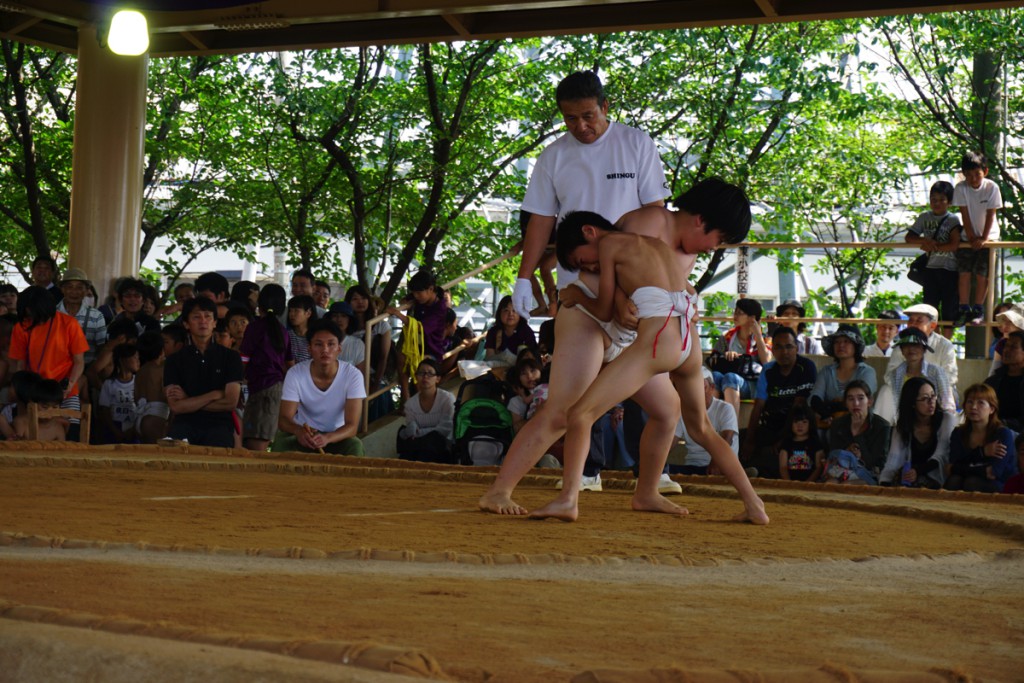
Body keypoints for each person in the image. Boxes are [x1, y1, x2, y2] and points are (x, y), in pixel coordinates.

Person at [480, 178, 755, 519]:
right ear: (701, 220)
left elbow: (661, 283)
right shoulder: (651, 221)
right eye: (720, 239)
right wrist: (618, 299)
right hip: (590, 317)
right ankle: (500, 491)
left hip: (635, 339)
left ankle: (647, 492)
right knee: (566, 411)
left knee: (667, 411)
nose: (716, 248)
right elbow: (617, 260)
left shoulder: (688, 251)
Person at [512, 70, 668, 319]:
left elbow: (657, 213)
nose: (581, 126)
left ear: (604, 106)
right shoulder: (553, 155)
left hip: (631, 279)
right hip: (575, 281)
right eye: (571, 118)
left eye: (588, 116)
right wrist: (523, 277)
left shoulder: (637, 143)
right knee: (579, 355)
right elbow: (541, 220)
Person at [272, 319, 366, 455]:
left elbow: (352, 427)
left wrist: (327, 438)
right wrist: (299, 431)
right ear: (309, 349)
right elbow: (284, 420)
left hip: (336, 437)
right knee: (281, 443)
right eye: (318, 344)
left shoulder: (353, 375)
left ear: (339, 348)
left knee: (355, 446)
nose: (325, 350)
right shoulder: (295, 374)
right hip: (305, 435)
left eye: (331, 344)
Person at [8, 286, 89, 439]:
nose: (30, 317)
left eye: (33, 313)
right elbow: (20, 364)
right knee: (30, 433)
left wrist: (69, 385)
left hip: (66, 389)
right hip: (34, 391)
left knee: (72, 434)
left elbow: (79, 362)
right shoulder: (21, 326)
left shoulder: (69, 324)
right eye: (27, 313)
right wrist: (23, 392)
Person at [163, 297, 244, 447]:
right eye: (196, 317)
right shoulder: (174, 360)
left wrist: (188, 399)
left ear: (214, 322)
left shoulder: (231, 357)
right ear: (186, 323)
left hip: (219, 425)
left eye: (208, 316)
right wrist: (214, 394)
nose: (203, 321)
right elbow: (176, 407)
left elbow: (230, 402)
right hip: (184, 424)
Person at [740, 326, 817, 477]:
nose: (784, 352)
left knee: (779, 451)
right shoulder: (768, 370)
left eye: (789, 346)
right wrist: (749, 439)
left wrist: (783, 438)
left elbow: (798, 405)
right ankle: (743, 475)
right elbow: (758, 406)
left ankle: (760, 473)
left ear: (796, 348)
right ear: (773, 350)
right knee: (740, 439)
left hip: (796, 427)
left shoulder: (806, 367)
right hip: (770, 425)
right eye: (779, 347)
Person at [239, 284, 292, 452]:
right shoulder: (282, 331)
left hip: (262, 388)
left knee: (255, 444)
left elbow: (244, 359)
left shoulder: (255, 328)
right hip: (275, 387)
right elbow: (289, 364)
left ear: (259, 304)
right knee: (259, 439)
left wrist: (237, 382)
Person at [953, 152, 1003, 326]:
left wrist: (983, 238)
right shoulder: (960, 188)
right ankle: (963, 308)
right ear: (963, 174)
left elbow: (991, 214)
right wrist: (972, 237)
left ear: (985, 171)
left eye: (977, 174)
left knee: (983, 275)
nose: (973, 179)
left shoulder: (992, 188)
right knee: (964, 273)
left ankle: (978, 309)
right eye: (969, 175)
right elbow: (964, 214)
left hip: (989, 238)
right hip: (968, 238)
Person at [905, 180, 961, 334]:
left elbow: (954, 244)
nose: (937, 203)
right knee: (930, 308)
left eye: (942, 200)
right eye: (934, 200)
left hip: (949, 269)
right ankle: (933, 342)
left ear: (949, 202)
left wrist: (933, 246)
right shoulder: (924, 217)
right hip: (931, 269)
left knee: (949, 310)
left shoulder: (953, 219)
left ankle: (946, 344)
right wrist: (924, 241)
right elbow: (909, 237)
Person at [879, 377, 955, 489]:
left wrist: (918, 471)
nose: (931, 402)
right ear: (912, 403)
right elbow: (893, 459)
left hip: (935, 477)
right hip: (909, 477)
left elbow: (942, 453)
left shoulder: (946, 419)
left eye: (933, 396)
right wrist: (884, 484)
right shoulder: (902, 427)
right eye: (924, 398)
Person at [874, 327, 956, 423]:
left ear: (924, 349)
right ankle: (882, 430)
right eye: (907, 345)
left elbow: (947, 403)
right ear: (902, 350)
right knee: (886, 390)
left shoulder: (936, 372)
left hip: (932, 420)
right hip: (903, 421)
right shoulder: (896, 374)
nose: (911, 349)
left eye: (916, 345)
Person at [708, 298, 772, 418]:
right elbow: (713, 359)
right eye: (735, 311)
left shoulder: (764, 338)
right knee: (715, 376)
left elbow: (766, 361)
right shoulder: (728, 337)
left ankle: (731, 430)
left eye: (740, 312)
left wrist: (758, 335)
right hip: (728, 382)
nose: (735, 315)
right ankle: (710, 427)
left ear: (752, 318)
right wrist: (725, 356)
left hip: (752, 384)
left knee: (731, 377)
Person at [946, 384, 1017, 492]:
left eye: (981, 403)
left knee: (971, 482)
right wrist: (982, 452)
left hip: (1001, 485)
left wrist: (960, 468)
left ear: (992, 409)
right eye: (970, 402)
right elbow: (951, 467)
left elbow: (993, 473)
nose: (973, 407)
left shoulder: (1002, 434)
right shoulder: (958, 433)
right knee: (954, 480)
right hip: (968, 480)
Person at [672, 366, 740, 476]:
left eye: (701, 387)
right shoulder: (682, 411)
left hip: (721, 466)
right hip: (692, 466)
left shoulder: (725, 408)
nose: (695, 392)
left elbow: (727, 438)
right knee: (664, 471)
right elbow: (671, 441)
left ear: (712, 388)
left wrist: (716, 463)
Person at [810, 325, 877, 431]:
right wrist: (832, 409)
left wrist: (829, 405)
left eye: (846, 341)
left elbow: (859, 401)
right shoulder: (826, 371)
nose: (841, 345)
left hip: (859, 424)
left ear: (856, 345)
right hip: (828, 422)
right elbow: (814, 399)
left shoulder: (867, 371)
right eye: (837, 342)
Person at [824, 380, 890, 485]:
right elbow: (834, 456)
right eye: (851, 399)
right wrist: (847, 450)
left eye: (860, 398)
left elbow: (877, 463)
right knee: (830, 484)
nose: (856, 403)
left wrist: (857, 434)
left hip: (869, 473)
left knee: (847, 485)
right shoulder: (838, 424)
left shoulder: (882, 426)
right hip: (842, 469)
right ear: (846, 403)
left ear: (869, 401)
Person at [884, 303, 958, 390]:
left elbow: (950, 377)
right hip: (907, 392)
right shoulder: (901, 345)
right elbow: (890, 376)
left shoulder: (945, 345)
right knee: (886, 391)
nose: (913, 325)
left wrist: (927, 390)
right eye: (911, 320)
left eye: (919, 321)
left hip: (937, 392)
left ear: (932, 326)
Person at [396, 358, 455, 462]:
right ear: (416, 377)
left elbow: (445, 429)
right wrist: (412, 431)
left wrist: (419, 433)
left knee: (433, 439)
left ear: (438, 378)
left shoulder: (447, 399)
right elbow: (411, 431)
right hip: (420, 448)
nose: (425, 376)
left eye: (430, 373)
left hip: (444, 447)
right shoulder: (410, 404)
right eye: (421, 373)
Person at [57, 268, 107, 366]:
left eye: (79, 287)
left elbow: (102, 348)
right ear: (62, 289)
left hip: (87, 369)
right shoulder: (52, 314)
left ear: (86, 290)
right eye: (69, 287)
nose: (74, 291)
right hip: (57, 370)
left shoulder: (96, 316)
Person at [96, 343, 139, 444]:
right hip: (114, 426)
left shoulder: (139, 381)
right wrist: (115, 431)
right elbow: (105, 410)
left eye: (138, 357)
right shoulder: (109, 383)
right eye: (134, 357)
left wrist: (133, 429)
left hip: (134, 426)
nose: (138, 361)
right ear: (122, 360)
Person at [133, 331, 170, 443]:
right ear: (161, 350)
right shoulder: (161, 370)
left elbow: (136, 396)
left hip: (139, 416)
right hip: (156, 415)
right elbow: (167, 395)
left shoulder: (140, 371)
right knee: (160, 456)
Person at [984, 330, 1024, 431]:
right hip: (993, 430)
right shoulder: (993, 381)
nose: (1006, 350)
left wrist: (1003, 424)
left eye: (1013, 347)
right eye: (1006, 346)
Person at [484, 295, 538, 365]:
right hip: (497, 370)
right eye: (506, 310)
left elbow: (533, 358)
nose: (510, 314)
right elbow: (489, 357)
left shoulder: (526, 332)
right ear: (499, 313)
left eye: (514, 310)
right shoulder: (493, 332)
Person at [778, 404, 825, 482]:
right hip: (789, 484)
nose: (800, 426)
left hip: (810, 484)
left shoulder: (816, 443)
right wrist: (789, 483)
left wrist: (807, 483)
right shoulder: (786, 443)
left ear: (810, 423)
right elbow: (783, 467)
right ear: (790, 423)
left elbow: (819, 468)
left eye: (804, 422)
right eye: (796, 422)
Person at [326, 301, 365, 367]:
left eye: (343, 316)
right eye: (335, 316)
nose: (339, 319)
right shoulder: (322, 342)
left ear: (349, 320)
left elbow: (362, 374)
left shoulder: (357, 344)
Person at [989, 304, 1024, 375]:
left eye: (1011, 322)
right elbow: (993, 373)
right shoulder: (1002, 343)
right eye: (1004, 321)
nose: (1005, 326)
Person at [286, 295, 316, 363]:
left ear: (308, 313)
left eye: (296, 310)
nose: (292, 314)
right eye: (290, 310)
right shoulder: (286, 335)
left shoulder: (315, 337)